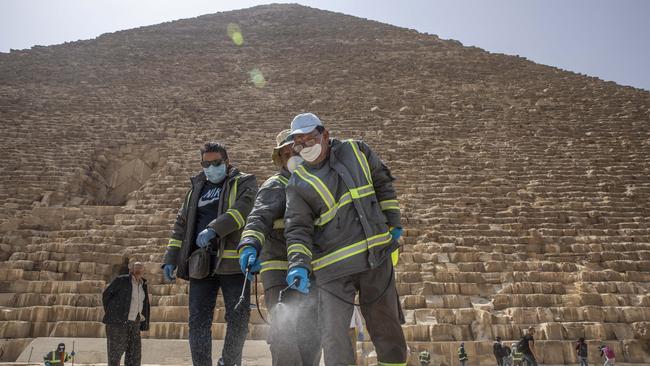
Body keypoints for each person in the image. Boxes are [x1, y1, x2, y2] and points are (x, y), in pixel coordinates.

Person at [283, 113, 407, 365]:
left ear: (325, 135)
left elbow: (383, 183)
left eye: (310, 139)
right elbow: (297, 228)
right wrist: (298, 263)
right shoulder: (298, 183)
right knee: (334, 336)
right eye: (299, 142)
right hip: (333, 269)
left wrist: (393, 222)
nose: (305, 147)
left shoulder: (357, 150)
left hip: (376, 256)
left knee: (387, 327)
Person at [162, 142, 257, 366]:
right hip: (200, 262)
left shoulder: (244, 181)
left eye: (216, 163)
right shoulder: (196, 188)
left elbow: (243, 210)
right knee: (197, 321)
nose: (211, 167)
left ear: (226, 161)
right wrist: (170, 257)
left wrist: (215, 228)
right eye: (206, 163)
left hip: (232, 262)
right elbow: (181, 224)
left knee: (239, 318)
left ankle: (229, 362)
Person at [237, 130, 321, 366]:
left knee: (313, 337)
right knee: (285, 333)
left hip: (313, 269)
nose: (292, 157)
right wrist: (249, 244)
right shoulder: (276, 184)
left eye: (294, 151)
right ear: (281, 160)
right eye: (285, 154)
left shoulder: (318, 184)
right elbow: (259, 217)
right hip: (280, 270)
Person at [102, 261, 150, 366]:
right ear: (131, 270)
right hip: (118, 323)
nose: (138, 270)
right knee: (115, 354)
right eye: (136, 267)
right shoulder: (121, 280)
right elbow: (106, 295)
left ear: (143, 271)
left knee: (134, 355)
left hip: (135, 323)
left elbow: (144, 304)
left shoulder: (143, 285)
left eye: (140, 268)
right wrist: (113, 313)